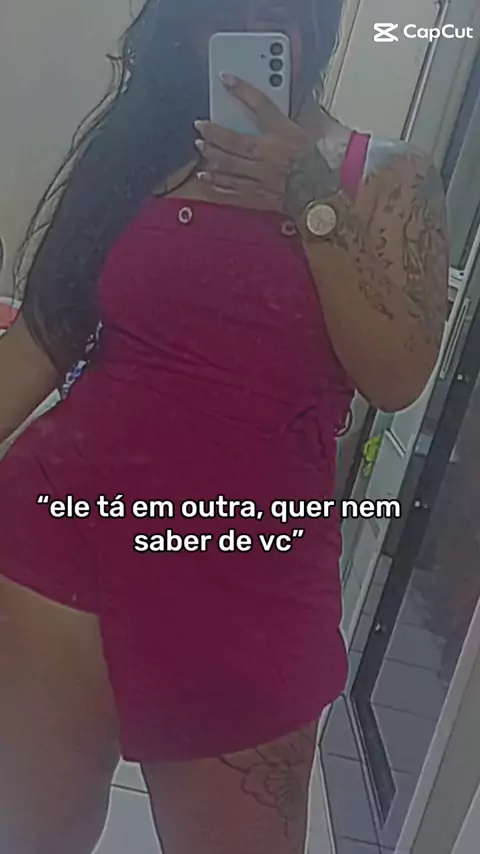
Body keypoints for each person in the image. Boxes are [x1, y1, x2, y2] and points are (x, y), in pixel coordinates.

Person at [0, 1, 449, 852]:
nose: (247, 23)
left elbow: (396, 374)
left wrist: (307, 195)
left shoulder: (389, 178)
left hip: (250, 581)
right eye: (221, 8)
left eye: (276, 7)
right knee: (35, 836)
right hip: (59, 541)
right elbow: (41, 342)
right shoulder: (141, 151)